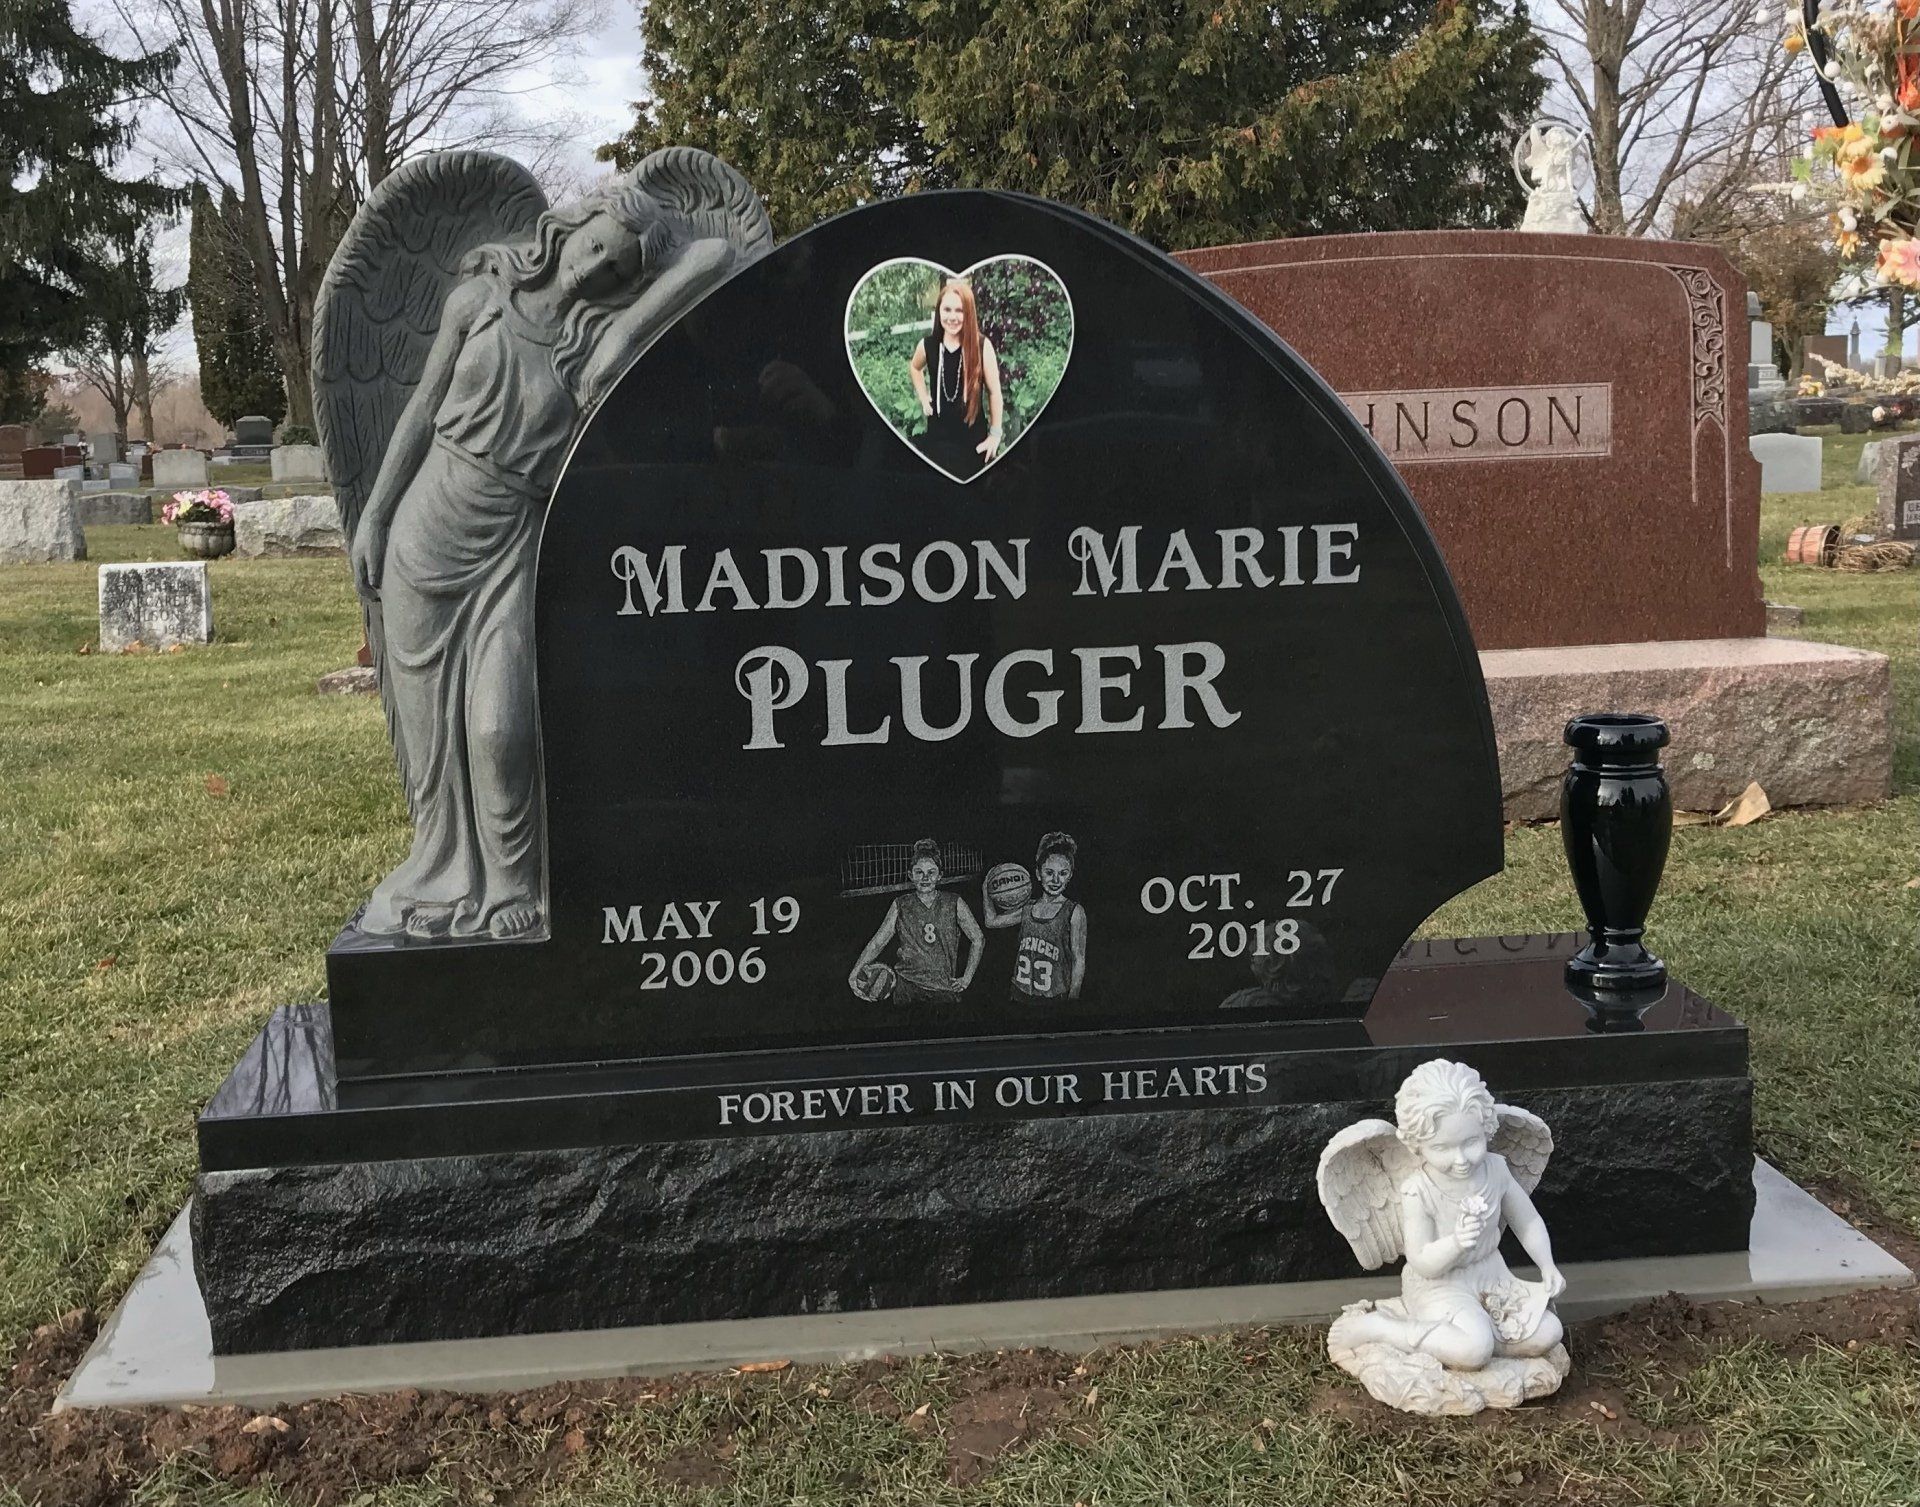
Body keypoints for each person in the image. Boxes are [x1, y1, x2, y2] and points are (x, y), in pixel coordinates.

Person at [349, 172, 742, 939]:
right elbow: (421, 414)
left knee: (502, 732)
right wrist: (374, 515)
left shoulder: (594, 345)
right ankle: (442, 870)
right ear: (573, 228)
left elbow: (715, 257)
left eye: (619, 270)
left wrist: (629, 325)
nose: (597, 269)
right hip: (424, 534)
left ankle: (512, 886)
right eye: (599, 246)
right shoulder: (479, 302)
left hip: (511, 544)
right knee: (435, 750)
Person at [1345, 1060, 1566, 1369]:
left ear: (1486, 1130)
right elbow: (1422, 1261)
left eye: (1471, 1142)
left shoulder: (1496, 1170)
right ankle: (1385, 1328)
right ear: (1417, 1145)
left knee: (1549, 1331)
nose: (1461, 1159)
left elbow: (1526, 1220)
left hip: (1491, 1273)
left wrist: (1547, 1265)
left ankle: (1481, 1338)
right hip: (1439, 1286)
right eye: (1442, 1148)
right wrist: (1457, 1242)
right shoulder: (1417, 1191)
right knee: (1472, 1351)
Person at [848, 839, 984, 1004]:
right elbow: (878, 942)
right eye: (919, 872)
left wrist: (967, 978)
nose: (925, 877)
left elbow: (978, 938)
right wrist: (855, 972)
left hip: (942, 987)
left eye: (931, 872)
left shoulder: (954, 902)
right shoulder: (901, 904)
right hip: (906, 986)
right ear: (910, 875)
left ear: (940, 875)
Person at [908, 280, 1005, 479]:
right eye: (947, 309)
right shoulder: (928, 345)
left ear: (969, 313)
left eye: (960, 310)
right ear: (939, 312)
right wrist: (924, 397)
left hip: (971, 443)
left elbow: (994, 393)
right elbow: (914, 368)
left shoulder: (981, 346)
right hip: (937, 440)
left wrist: (995, 435)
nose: (952, 317)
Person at [983, 832, 1087, 1001]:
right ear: (1038, 874)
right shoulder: (1027, 908)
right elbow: (991, 921)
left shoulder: (1074, 911)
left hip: (1054, 997)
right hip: (1019, 993)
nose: (1055, 880)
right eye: (1049, 872)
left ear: (1070, 875)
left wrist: (1073, 999)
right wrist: (985, 888)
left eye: (1062, 873)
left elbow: (1079, 960)